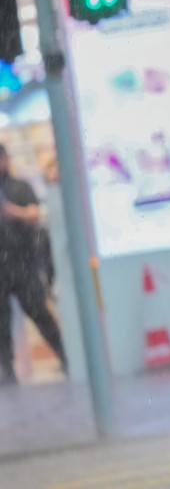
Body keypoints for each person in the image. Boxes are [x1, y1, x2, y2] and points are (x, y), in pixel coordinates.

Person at [0, 144, 66, 385]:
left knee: (40, 313)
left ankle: (66, 358)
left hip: (23, 264)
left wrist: (11, 211)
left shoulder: (19, 187)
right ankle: (7, 371)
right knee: (1, 324)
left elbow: (36, 214)